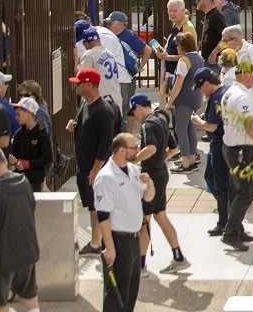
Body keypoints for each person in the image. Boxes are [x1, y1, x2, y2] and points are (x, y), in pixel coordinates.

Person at [126, 94, 188, 273]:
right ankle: (178, 256)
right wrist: (162, 160)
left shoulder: (147, 125)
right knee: (160, 216)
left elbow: (151, 148)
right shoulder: (160, 121)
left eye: (133, 112)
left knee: (144, 221)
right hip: (161, 173)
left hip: (152, 177)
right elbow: (174, 148)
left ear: (138, 107)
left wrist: (134, 160)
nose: (134, 117)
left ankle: (140, 265)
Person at [94, 133, 155, 312]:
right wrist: (110, 248)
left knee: (131, 290)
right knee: (116, 295)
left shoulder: (133, 170)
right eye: (134, 148)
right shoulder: (106, 177)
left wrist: (150, 184)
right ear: (122, 150)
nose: (137, 151)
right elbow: (103, 215)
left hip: (133, 240)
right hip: (118, 241)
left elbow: (148, 198)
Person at [69, 68, 117, 257]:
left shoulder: (103, 111)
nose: (76, 86)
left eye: (79, 83)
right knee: (91, 206)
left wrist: (96, 169)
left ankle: (103, 241)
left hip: (94, 169)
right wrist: (74, 125)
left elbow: (106, 143)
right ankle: (96, 241)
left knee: (99, 206)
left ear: (89, 85)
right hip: (84, 168)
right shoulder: (85, 105)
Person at [220, 62, 253, 252]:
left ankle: (237, 226)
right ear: (244, 74)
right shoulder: (241, 96)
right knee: (246, 190)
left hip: (232, 146)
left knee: (236, 190)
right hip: (241, 148)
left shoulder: (229, 92)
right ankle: (231, 232)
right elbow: (248, 124)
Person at [0, 146, 40, 312]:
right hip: (28, 251)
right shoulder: (24, 182)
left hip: (2, 257)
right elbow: (31, 208)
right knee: (29, 298)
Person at [189, 68, 234, 238]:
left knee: (221, 184)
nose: (201, 92)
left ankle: (225, 220)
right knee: (210, 178)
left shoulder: (216, 98)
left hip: (220, 144)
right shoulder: (223, 92)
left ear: (207, 84)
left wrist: (198, 121)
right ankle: (227, 211)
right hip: (221, 144)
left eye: (201, 88)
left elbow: (212, 126)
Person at [163, 30, 203, 173]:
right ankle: (192, 158)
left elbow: (178, 84)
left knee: (180, 129)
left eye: (177, 45)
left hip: (184, 99)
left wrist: (170, 101)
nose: (176, 48)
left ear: (182, 45)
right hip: (195, 97)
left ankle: (186, 162)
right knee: (190, 128)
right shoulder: (198, 58)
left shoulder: (183, 60)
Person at [8, 97, 50, 192]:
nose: (16, 117)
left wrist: (27, 164)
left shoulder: (41, 132)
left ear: (28, 113)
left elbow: (48, 157)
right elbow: (14, 156)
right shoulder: (18, 134)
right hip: (19, 180)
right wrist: (13, 162)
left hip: (35, 180)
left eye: (18, 114)